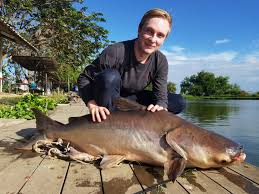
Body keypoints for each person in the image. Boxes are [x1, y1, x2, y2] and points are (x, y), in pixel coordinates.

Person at [77, 8, 186, 122]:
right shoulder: (115, 51)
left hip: (133, 99)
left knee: (178, 102)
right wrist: (91, 103)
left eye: (160, 35)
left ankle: (142, 125)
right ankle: (108, 121)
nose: (153, 39)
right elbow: (84, 78)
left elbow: (161, 96)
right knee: (110, 76)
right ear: (139, 29)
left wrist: (160, 106)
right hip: (109, 95)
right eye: (149, 31)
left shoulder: (161, 61)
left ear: (164, 39)